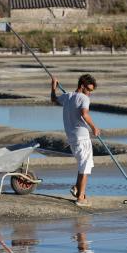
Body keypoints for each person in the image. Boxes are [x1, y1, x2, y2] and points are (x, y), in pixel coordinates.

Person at [50, 74, 100, 207]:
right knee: (86, 167)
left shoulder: (68, 96)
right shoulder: (83, 98)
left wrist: (53, 85)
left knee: (83, 165)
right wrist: (94, 127)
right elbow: (84, 113)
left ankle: (77, 189)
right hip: (82, 137)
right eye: (89, 90)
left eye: (92, 91)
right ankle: (81, 198)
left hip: (72, 138)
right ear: (82, 86)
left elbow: (53, 99)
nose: (90, 94)